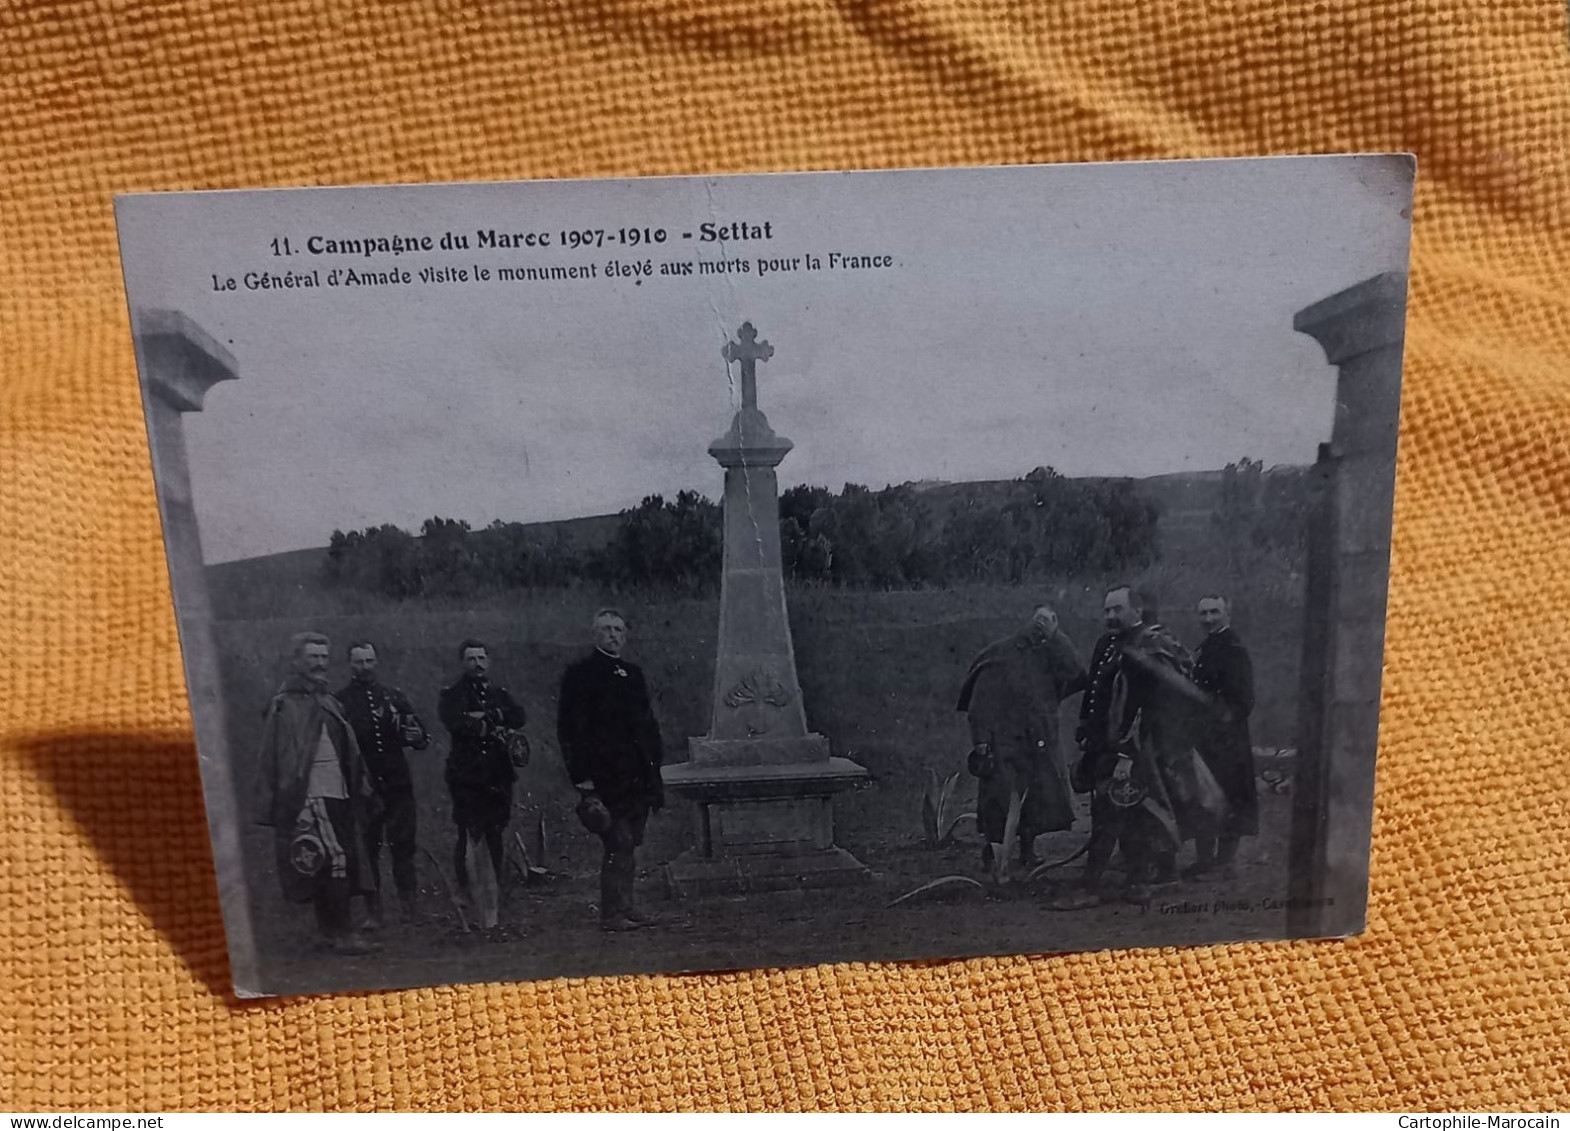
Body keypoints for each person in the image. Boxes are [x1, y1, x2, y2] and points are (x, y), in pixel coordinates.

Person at [1053, 585, 1225, 908]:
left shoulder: (1149, 646)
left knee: (1113, 808)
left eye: (1117, 609)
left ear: (1137, 610)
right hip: (1105, 744)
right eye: (1106, 610)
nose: (1110, 616)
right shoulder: (1107, 644)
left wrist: (1125, 754)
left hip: (1136, 748)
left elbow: (1148, 707)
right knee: (1131, 812)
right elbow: (1096, 692)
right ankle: (1144, 880)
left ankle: (1097, 885)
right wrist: (1085, 729)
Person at [254, 631, 380, 955]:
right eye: (313, 657)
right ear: (297, 661)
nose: (320, 663)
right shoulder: (285, 704)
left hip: (337, 790)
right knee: (335, 858)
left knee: (332, 860)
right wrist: (289, 801)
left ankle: (328, 931)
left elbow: (346, 748)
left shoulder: (328, 700)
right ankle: (343, 933)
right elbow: (276, 756)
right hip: (309, 794)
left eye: (324, 657)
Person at [557, 608, 666, 932]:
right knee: (617, 841)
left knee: (631, 842)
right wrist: (582, 778)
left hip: (635, 776)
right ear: (595, 634)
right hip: (605, 777)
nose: (613, 635)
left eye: (618, 629)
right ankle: (611, 913)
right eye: (606, 629)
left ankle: (626, 905)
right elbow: (570, 730)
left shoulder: (633, 674)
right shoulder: (580, 674)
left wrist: (653, 769)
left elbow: (647, 726)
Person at [956, 604, 1085, 871]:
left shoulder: (1051, 653)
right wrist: (981, 741)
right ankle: (994, 852)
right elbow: (980, 703)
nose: (1038, 632)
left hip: (1038, 740)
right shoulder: (999, 654)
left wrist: (1057, 635)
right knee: (999, 800)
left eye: (1045, 625)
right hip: (1004, 743)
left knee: (1038, 799)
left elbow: (1077, 674)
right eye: (1036, 624)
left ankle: (1028, 849)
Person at [335, 640, 429, 927]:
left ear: (376, 662)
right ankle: (373, 913)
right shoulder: (341, 702)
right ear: (349, 664)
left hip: (398, 785)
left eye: (369, 661)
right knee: (368, 849)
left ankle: (409, 908)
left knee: (403, 845)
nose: (365, 668)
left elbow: (420, 736)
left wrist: (417, 737)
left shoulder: (394, 697)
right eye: (359, 662)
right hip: (364, 788)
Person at [438, 640, 527, 902]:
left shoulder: (499, 693)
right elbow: (456, 722)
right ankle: (467, 890)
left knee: (496, 830)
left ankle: (494, 885)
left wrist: (488, 716)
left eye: (481, 658)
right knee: (468, 831)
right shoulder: (452, 695)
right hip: (467, 776)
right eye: (471, 659)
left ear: (488, 661)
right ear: (462, 663)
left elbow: (519, 716)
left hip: (498, 774)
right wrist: (494, 719)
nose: (477, 664)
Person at [1190, 595, 1259, 877]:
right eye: (1203, 613)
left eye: (1214, 612)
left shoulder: (1234, 649)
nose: (1208, 619)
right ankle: (1205, 861)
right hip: (1205, 737)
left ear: (1227, 613)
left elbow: (1244, 700)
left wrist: (1218, 719)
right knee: (1203, 796)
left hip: (1228, 739)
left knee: (1230, 796)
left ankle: (1225, 862)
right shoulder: (1206, 647)